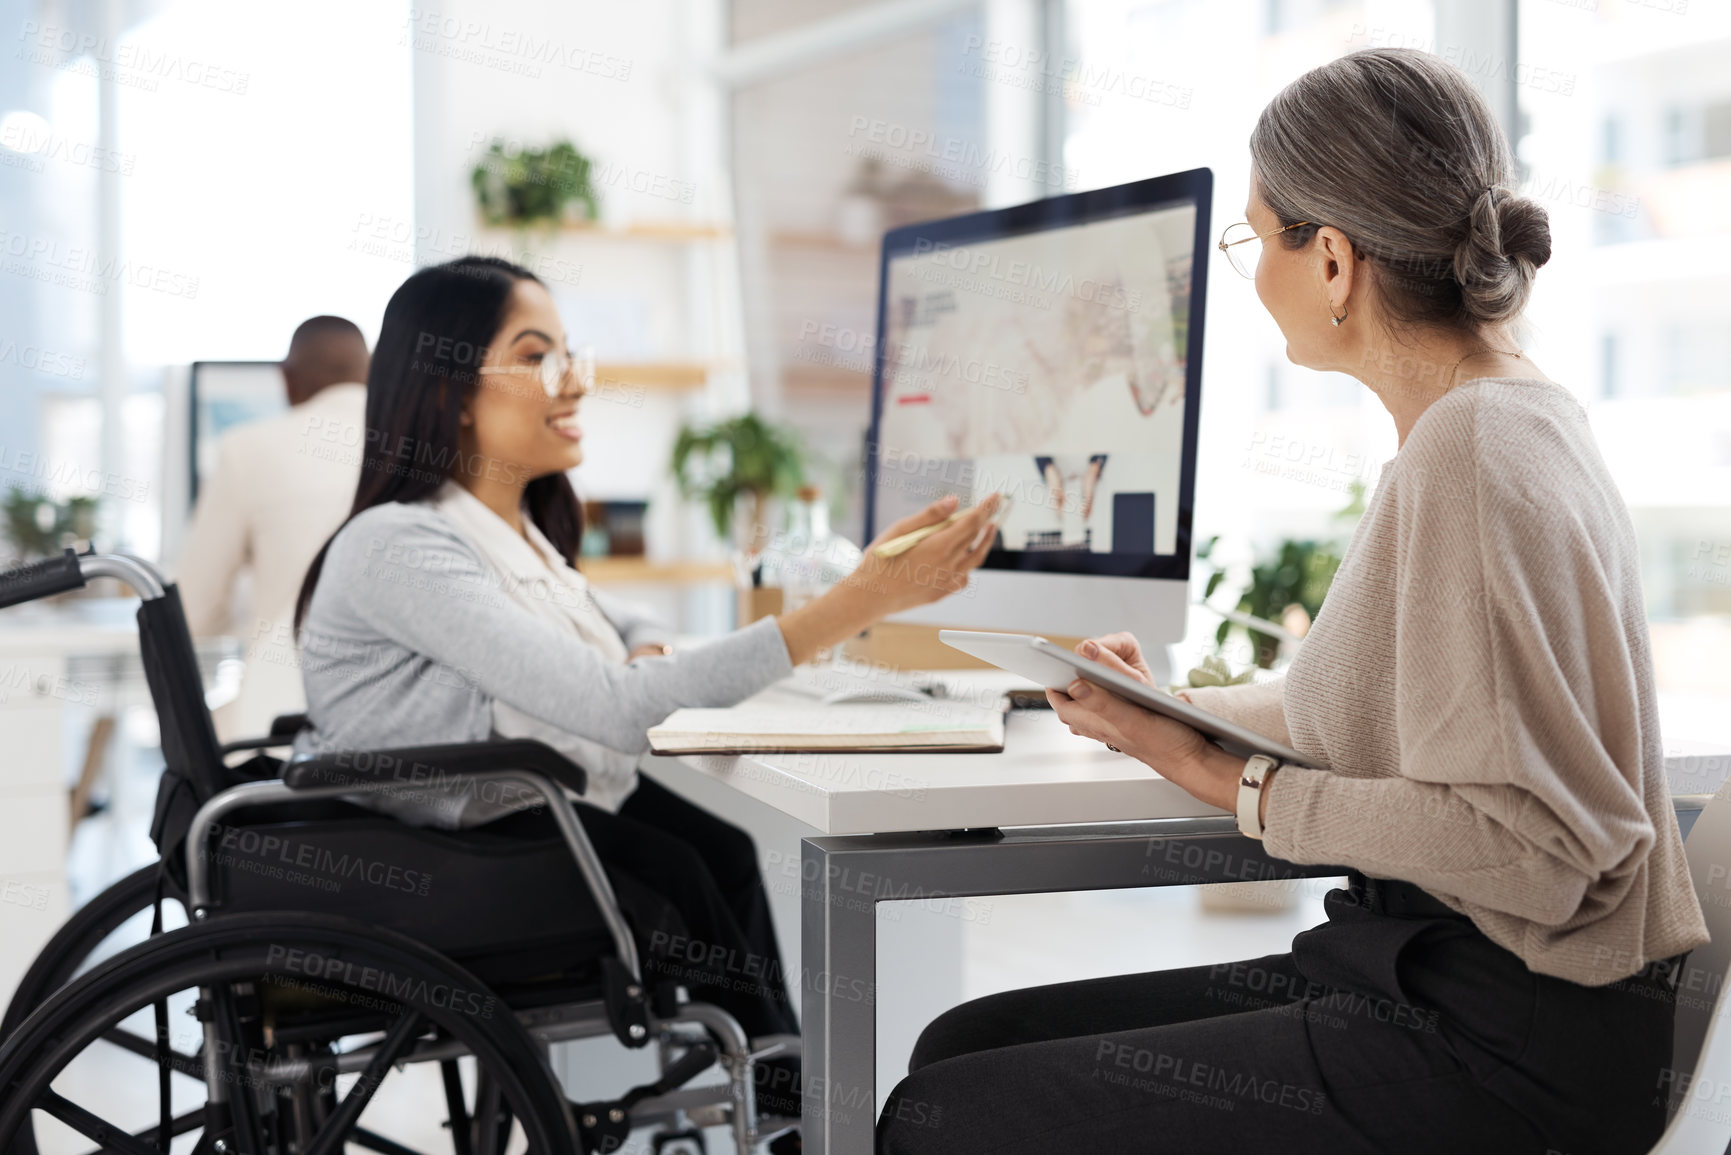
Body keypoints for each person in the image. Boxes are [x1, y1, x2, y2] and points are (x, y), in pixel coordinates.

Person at [877, 47, 1708, 1155]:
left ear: (1331, 263)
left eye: (1254, 238)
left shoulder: (1473, 446)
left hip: (1506, 1042)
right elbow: (1389, 711)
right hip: (1446, 978)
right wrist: (1169, 710)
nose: (1250, 274)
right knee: (957, 1048)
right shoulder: (1496, 419)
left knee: (942, 1113)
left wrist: (1239, 782)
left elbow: (1548, 848)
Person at [288, 255, 999, 1137]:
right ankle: (796, 1116)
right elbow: (618, 705)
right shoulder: (402, 544)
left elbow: (614, 627)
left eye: (571, 352)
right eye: (538, 354)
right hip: (447, 852)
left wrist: (642, 648)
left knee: (722, 853)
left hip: (517, 813)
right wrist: (854, 601)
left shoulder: (510, 539)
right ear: (454, 391)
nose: (575, 378)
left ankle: (792, 1112)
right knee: (693, 873)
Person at [175, 315, 370, 742]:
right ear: (371, 371)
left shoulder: (246, 449)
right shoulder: (426, 451)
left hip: (287, 728)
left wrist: (261, 607)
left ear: (285, 379)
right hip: (405, 732)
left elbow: (192, 613)